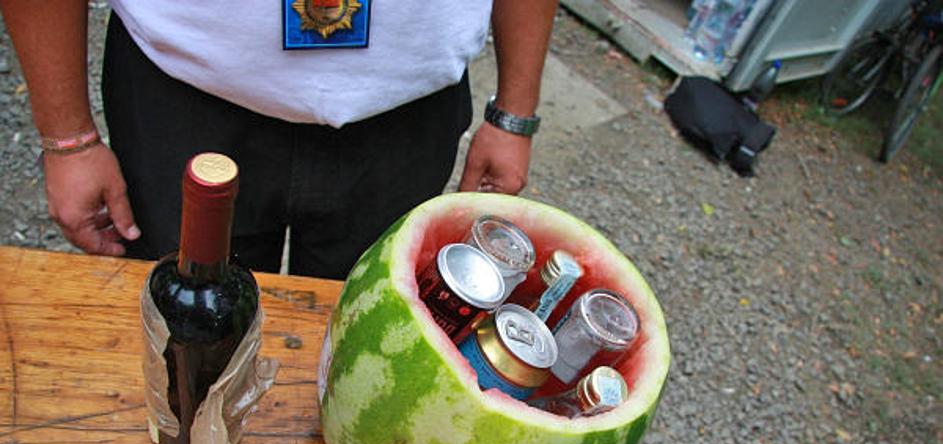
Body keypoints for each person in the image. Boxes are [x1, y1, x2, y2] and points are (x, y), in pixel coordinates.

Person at [0, 1, 558, 279]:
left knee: (362, 352)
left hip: (407, 111)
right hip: (184, 94)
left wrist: (515, 113)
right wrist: (68, 138)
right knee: (188, 343)